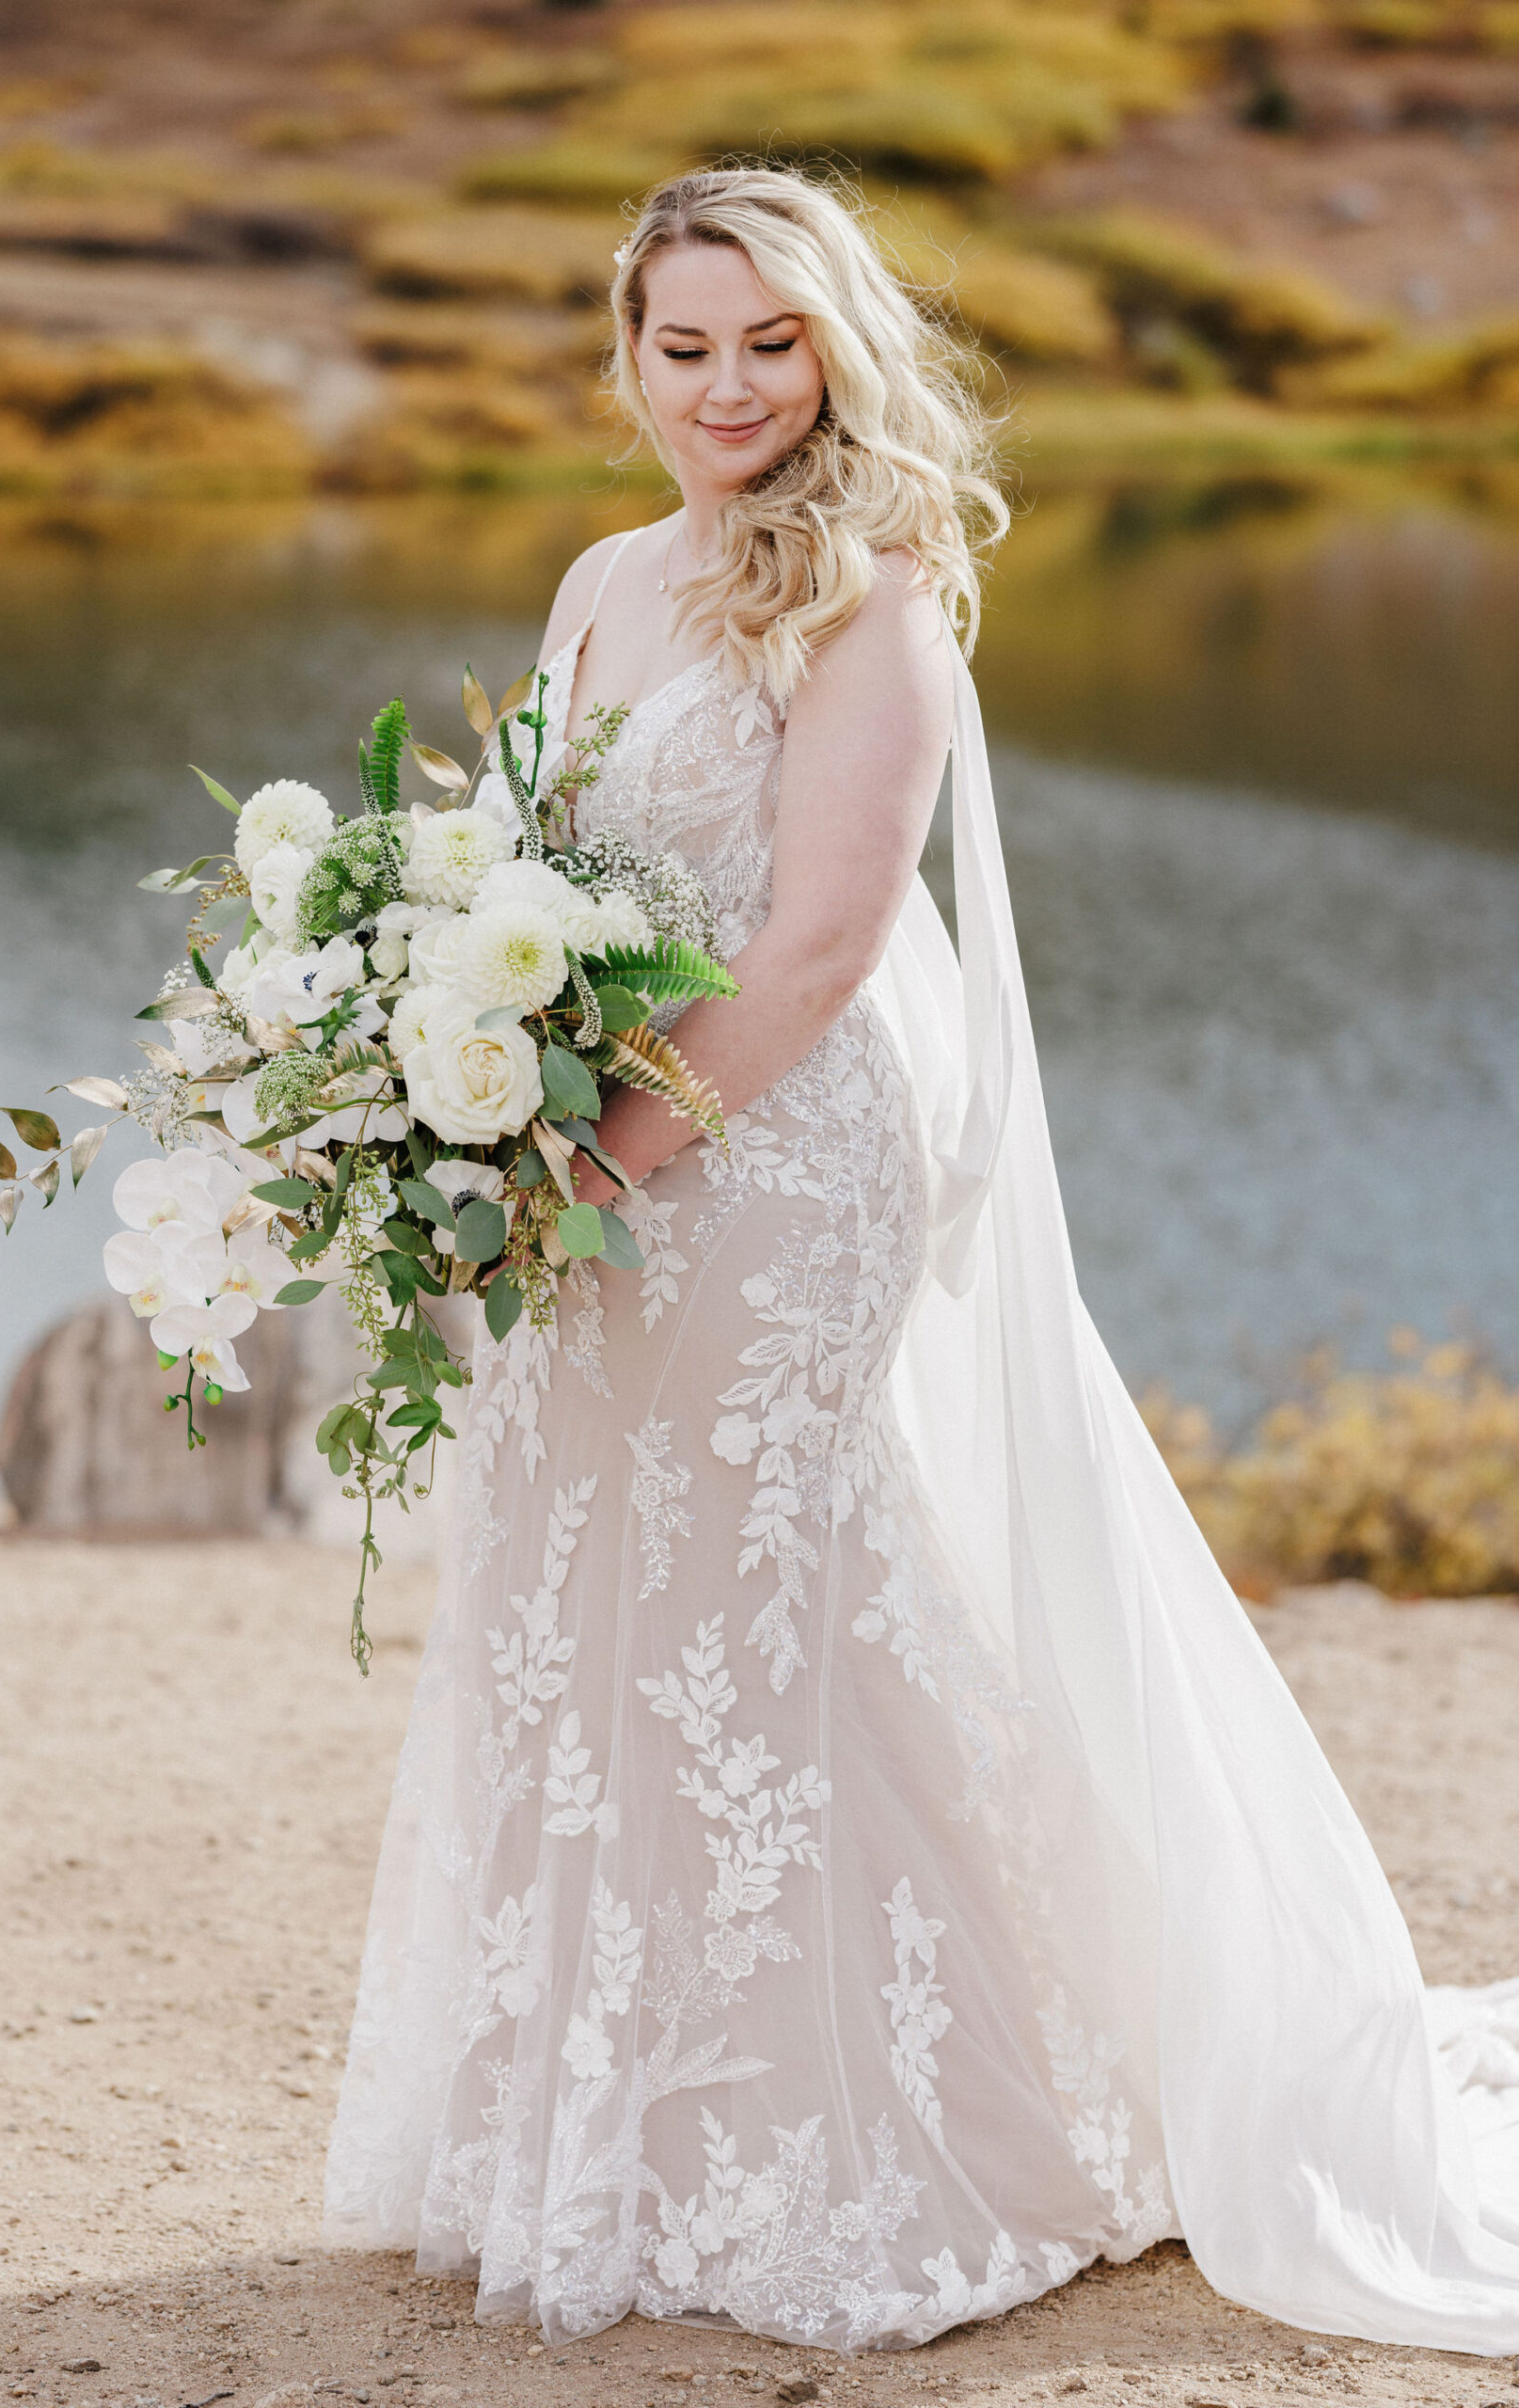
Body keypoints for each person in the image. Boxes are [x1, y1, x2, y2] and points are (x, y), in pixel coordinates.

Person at [324, 165, 1519, 2357]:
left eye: (767, 341)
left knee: (763, 1602)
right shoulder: (598, 575)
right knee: (588, 1586)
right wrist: (443, 1093)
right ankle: (609, 2129)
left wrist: (596, 1145)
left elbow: (819, 939)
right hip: (590, 1142)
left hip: (772, 1156)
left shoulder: (869, 596)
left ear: (835, 345)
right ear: (625, 357)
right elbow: (532, 874)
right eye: (681, 345)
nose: (724, 388)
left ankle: (892, 2134)